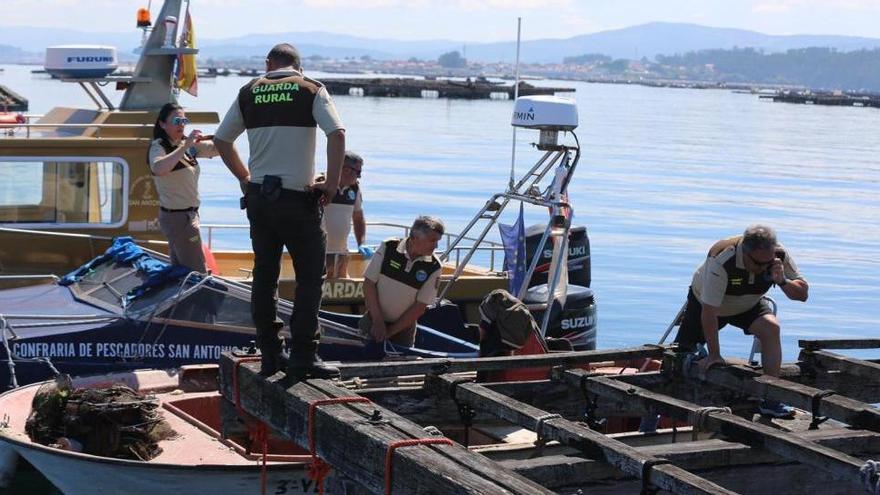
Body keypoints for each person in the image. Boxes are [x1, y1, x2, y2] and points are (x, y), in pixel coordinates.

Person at [213, 43, 346, 379]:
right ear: (298, 67)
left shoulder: (249, 91)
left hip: (260, 197)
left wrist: (245, 178)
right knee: (310, 279)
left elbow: (221, 140)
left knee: (265, 275)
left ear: (268, 64)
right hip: (297, 199)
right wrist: (331, 184)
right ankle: (303, 357)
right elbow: (337, 133)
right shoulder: (311, 89)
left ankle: (271, 353)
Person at [673, 224, 809, 418]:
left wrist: (782, 281)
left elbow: (803, 295)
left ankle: (770, 398)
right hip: (710, 304)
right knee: (679, 358)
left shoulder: (778, 255)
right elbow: (709, 311)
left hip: (748, 303)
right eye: (759, 264)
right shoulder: (722, 258)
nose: (764, 268)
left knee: (771, 328)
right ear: (746, 253)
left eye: (768, 263)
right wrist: (714, 354)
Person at [148, 102, 218, 273]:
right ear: (162, 124)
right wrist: (186, 146)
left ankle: (182, 299)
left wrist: (222, 136)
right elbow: (158, 168)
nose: (181, 125)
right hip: (178, 218)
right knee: (196, 271)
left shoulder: (186, 144)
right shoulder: (160, 146)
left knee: (180, 269)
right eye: (177, 121)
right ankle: (201, 300)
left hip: (189, 215)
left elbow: (217, 149)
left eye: (184, 121)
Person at [359, 216, 444, 346]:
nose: (436, 246)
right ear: (415, 238)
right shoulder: (389, 247)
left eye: (437, 241)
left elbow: (420, 306)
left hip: (404, 332)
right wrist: (378, 321)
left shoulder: (434, 267)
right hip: (372, 320)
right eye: (432, 241)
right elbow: (368, 284)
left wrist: (389, 332)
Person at [320, 150, 368, 278]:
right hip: (319, 253)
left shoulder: (355, 189)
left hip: (341, 253)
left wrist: (361, 243)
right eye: (358, 172)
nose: (359, 177)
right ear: (346, 170)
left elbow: (358, 218)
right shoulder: (321, 184)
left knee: (340, 291)